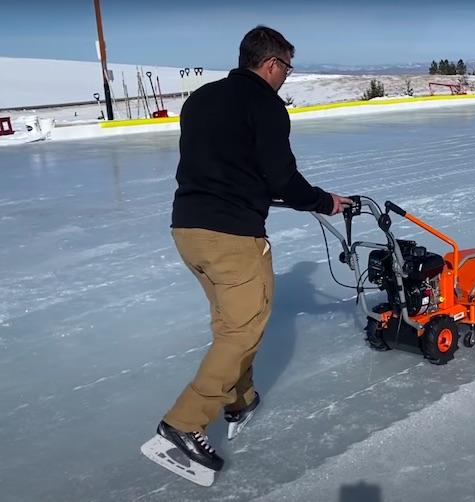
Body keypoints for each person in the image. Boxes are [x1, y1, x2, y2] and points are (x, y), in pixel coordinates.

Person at [148, 25, 353, 476]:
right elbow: (282, 178)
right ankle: (183, 425)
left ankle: (240, 401)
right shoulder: (267, 105)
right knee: (244, 331)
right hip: (233, 238)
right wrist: (324, 201)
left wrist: (253, 190)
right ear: (272, 64)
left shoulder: (201, 98)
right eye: (287, 68)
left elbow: (222, 162)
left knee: (229, 324)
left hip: (187, 230)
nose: (285, 77)